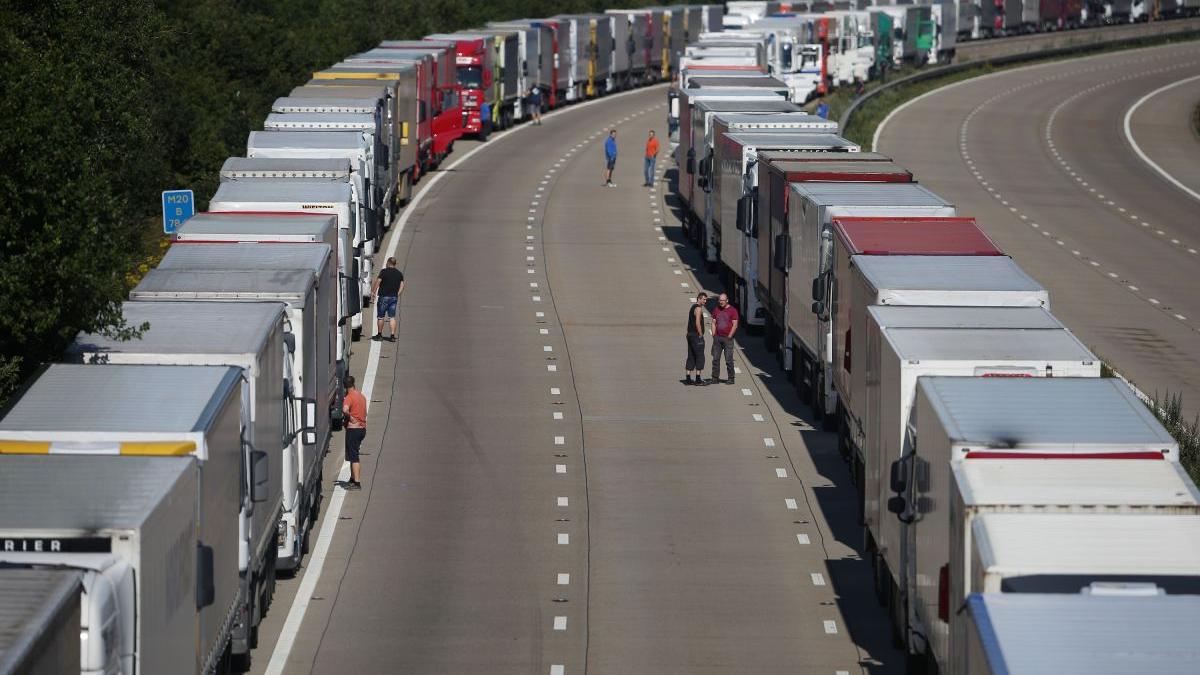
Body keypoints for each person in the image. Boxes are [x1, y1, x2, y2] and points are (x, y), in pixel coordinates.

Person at [371, 256, 405, 342]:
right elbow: (402, 285)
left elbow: (378, 281)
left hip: (383, 297)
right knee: (392, 317)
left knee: (381, 317)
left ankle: (379, 335)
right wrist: (398, 293)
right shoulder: (399, 273)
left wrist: (373, 292)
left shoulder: (384, 272)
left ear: (389, 263)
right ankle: (392, 335)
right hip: (394, 297)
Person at [342, 375, 366, 490]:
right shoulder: (361, 396)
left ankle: (357, 482)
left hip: (353, 429)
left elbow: (345, 409)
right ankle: (352, 479)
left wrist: (350, 418)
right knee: (352, 454)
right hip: (362, 429)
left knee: (354, 456)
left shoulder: (349, 397)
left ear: (345, 387)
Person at [709, 293, 740, 384]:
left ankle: (731, 378)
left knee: (729, 359)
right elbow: (713, 322)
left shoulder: (733, 311)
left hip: (728, 338)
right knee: (715, 359)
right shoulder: (716, 309)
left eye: (723, 300)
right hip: (718, 338)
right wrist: (714, 335)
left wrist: (730, 336)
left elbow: (735, 325)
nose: (721, 302)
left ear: (727, 300)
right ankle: (715, 377)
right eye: (720, 300)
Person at [684, 292, 708, 386]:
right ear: (699, 299)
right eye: (704, 299)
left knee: (691, 355)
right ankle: (698, 379)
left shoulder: (692, 307)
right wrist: (701, 334)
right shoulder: (698, 309)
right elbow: (698, 322)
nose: (705, 301)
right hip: (696, 336)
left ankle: (688, 378)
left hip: (690, 335)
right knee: (700, 356)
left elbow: (689, 322)